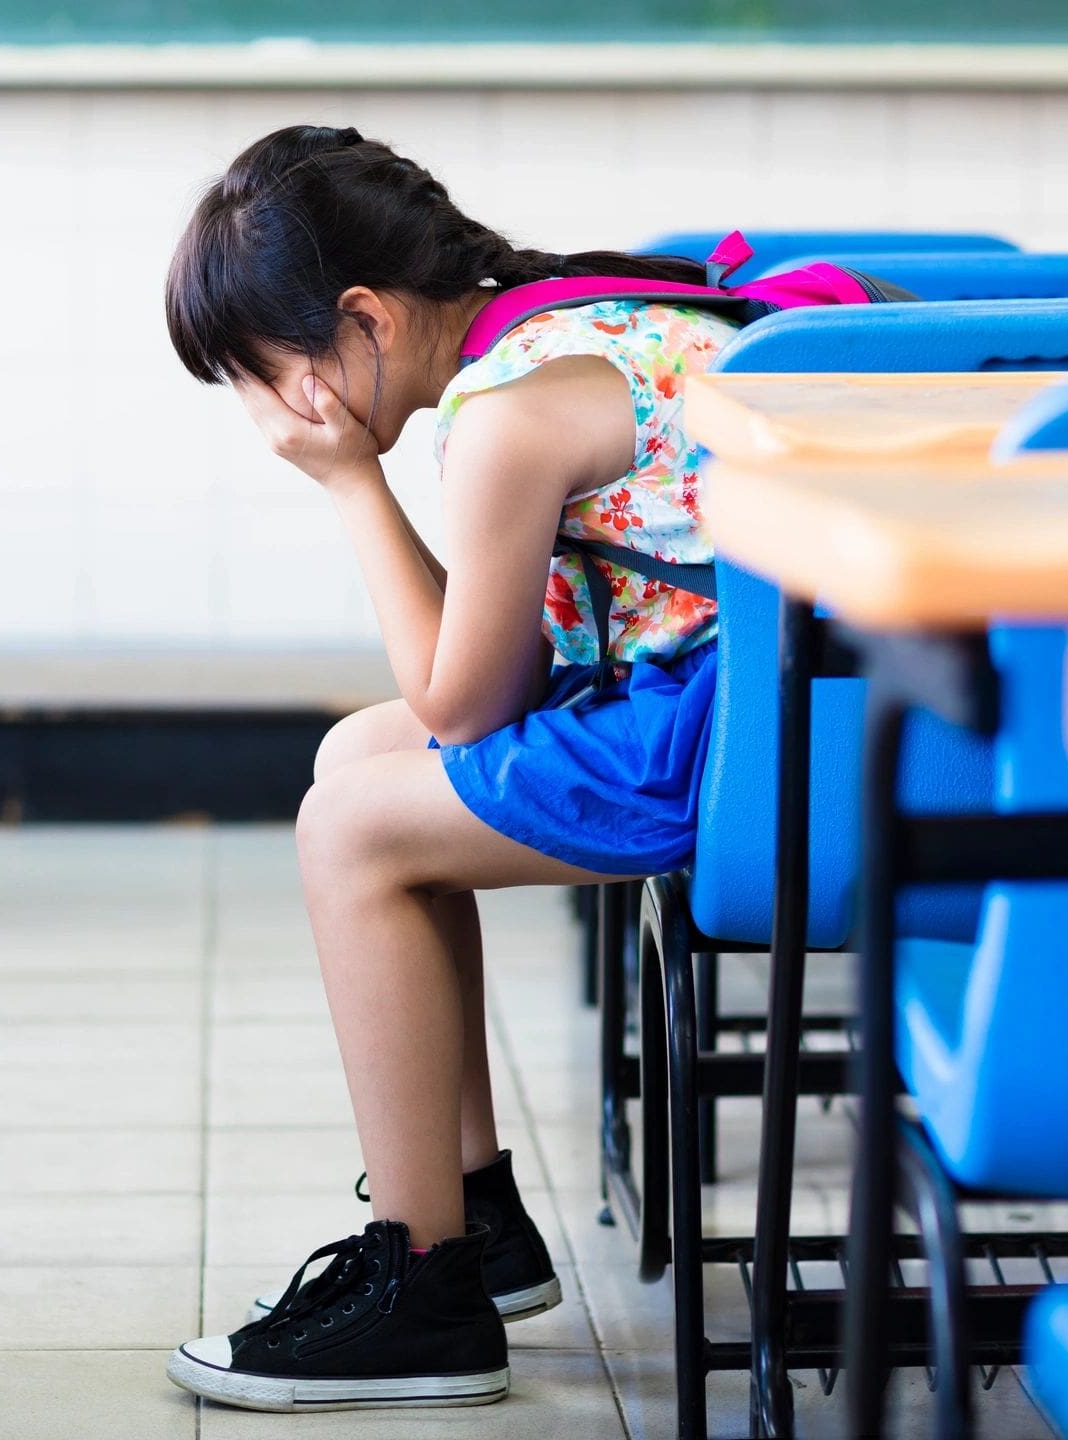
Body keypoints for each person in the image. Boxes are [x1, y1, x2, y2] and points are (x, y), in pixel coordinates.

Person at [162, 124, 732, 1413]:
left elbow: (468, 707)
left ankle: (424, 1293)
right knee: (356, 754)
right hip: (775, 692)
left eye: (266, 374)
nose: (265, 416)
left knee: (351, 828)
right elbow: (485, 679)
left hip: (736, 733)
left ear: (360, 318)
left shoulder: (505, 419)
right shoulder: (568, 318)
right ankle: (474, 1215)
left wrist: (352, 486)